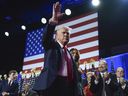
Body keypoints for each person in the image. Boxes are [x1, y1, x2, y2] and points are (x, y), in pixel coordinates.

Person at [33, 2, 82, 96]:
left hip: (68, 87)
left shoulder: (68, 53)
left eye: (68, 33)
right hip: (52, 85)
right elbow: (46, 38)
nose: (66, 35)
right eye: (64, 32)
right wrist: (52, 23)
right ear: (56, 35)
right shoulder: (51, 45)